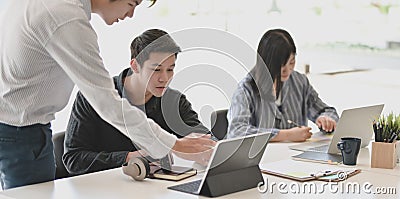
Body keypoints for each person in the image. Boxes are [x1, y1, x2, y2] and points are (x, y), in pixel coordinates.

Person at [0, 0, 215, 190]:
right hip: (21, 133)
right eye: (132, 3)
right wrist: (173, 144)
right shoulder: (66, 18)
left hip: (21, 129)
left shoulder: (51, 7)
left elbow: (200, 136)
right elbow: (109, 104)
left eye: (170, 69)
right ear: (135, 66)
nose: (131, 15)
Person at [63, 29, 211, 175]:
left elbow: (203, 139)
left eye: (170, 70)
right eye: (156, 70)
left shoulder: (174, 100)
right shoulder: (94, 97)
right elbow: (73, 159)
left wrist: (202, 147)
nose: (164, 78)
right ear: (135, 66)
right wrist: (128, 157)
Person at [227, 29, 339, 142]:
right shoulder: (246, 89)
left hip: (294, 155)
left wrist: (326, 119)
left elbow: (327, 111)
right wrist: (286, 135)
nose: (287, 70)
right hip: (265, 158)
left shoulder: (300, 82)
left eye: (291, 62)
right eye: (280, 64)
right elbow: (237, 132)